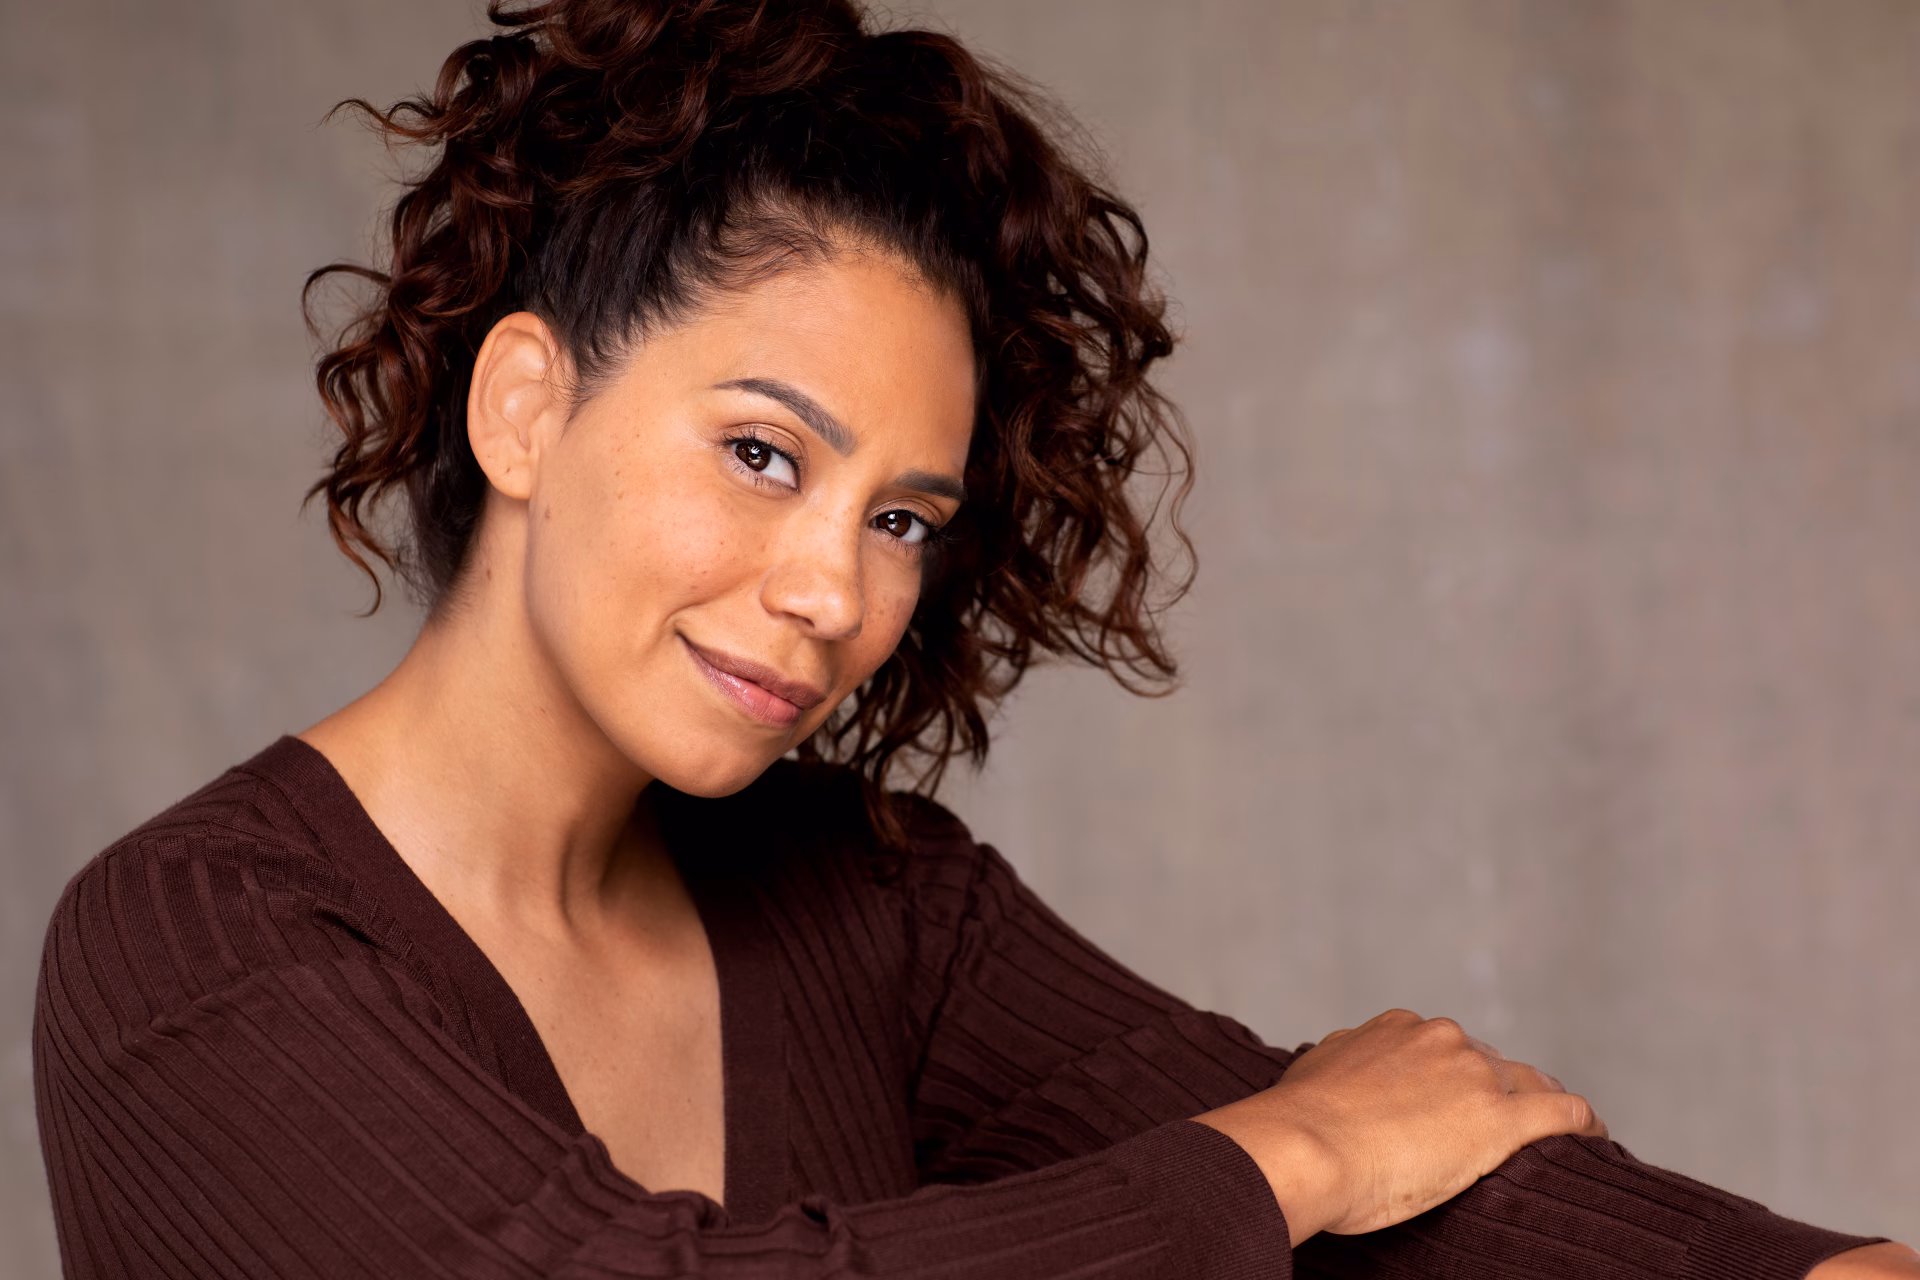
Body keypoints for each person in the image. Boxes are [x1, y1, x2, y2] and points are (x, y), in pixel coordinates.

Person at [32, 2, 1918, 1276]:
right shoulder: (188, 946)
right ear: (526, 406)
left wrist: (1811, 1271)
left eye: (902, 519)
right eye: (762, 453)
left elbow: (1396, 1186)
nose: (834, 592)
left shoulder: (871, 906)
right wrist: (1286, 1161)